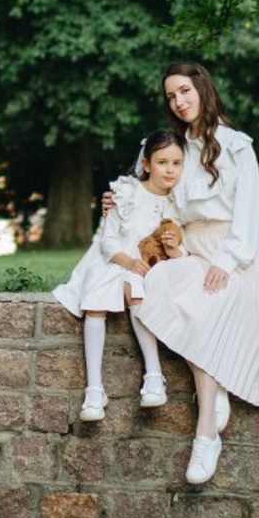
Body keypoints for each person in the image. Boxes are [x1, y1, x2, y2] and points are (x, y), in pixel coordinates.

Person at [136, 61, 259, 486]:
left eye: (185, 91)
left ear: (202, 89)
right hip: (191, 248)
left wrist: (225, 263)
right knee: (156, 286)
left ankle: (205, 432)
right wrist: (173, 242)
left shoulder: (236, 146)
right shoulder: (175, 150)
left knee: (208, 303)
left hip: (234, 252)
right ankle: (219, 385)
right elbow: (156, 201)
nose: (179, 101)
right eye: (172, 96)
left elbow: (247, 216)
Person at [53, 130, 188, 423]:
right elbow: (108, 240)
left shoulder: (178, 203)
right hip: (115, 259)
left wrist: (173, 247)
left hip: (146, 267)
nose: (170, 169)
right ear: (147, 163)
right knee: (95, 299)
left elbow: (183, 246)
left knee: (134, 287)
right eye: (162, 162)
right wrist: (127, 260)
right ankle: (94, 388)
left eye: (176, 163)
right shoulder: (126, 192)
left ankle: (154, 375)